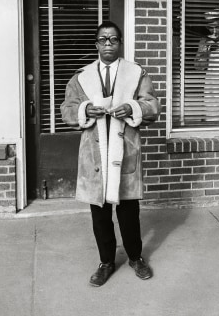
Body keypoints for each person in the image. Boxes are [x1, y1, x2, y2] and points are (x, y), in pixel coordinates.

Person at [61, 20, 160, 287]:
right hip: (95, 154)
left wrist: (131, 107)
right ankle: (106, 261)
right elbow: (67, 109)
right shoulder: (81, 77)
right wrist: (84, 110)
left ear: (120, 43)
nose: (108, 44)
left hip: (124, 150)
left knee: (129, 211)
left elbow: (151, 105)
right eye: (103, 39)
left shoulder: (136, 73)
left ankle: (135, 257)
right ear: (96, 44)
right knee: (100, 214)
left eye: (113, 39)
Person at [194, 9, 219, 121]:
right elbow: (198, 66)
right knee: (213, 113)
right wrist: (205, 51)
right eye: (211, 28)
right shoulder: (204, 41)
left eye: (217, 27)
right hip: (212, 83)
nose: (214, 31)